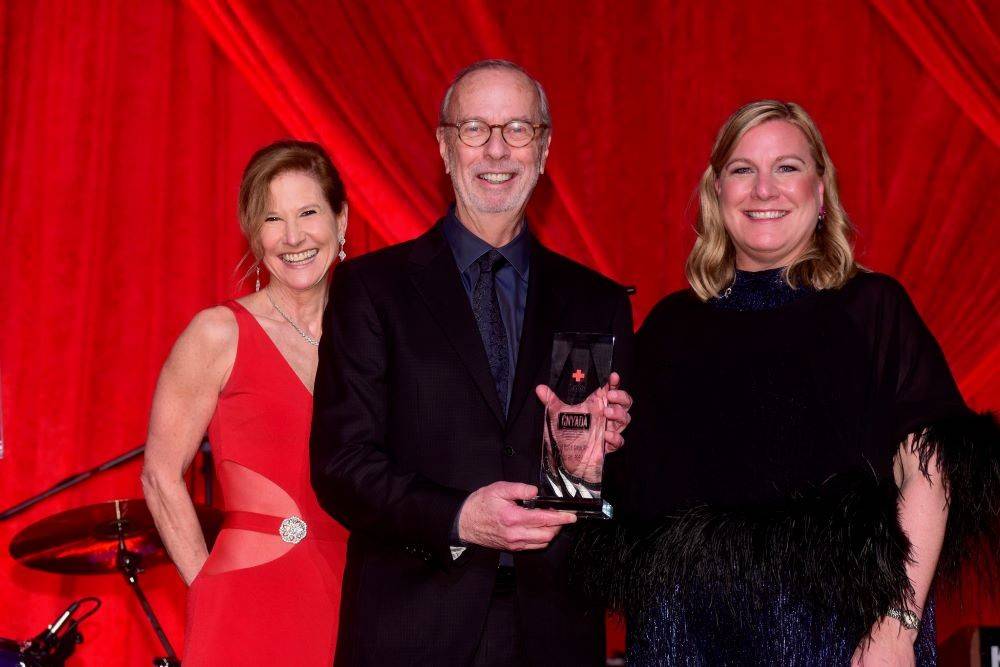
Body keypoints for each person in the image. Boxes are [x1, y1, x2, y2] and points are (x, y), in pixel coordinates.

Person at [593, 100, 999, 666]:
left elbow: (929, 468)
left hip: (843, 637)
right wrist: (581, 452)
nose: (764, 190)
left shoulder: (871, 308)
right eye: (742, 169)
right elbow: (623, 490)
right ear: (716, 192)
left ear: (821, 190)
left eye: (787, 167)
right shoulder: (667, 326)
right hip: (682, 637)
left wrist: (897, 628)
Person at [310, 59, 634, 666]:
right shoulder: (369, 289)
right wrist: (459, 517)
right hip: (411, 632)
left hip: (555, 633)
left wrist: (598, 461)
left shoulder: (598, 300)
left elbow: (612, 496)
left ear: (543, 149)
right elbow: (341, 465)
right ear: (443, 145)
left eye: (517, 129)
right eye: (474, 129)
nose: (496, 150)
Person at [142, 141, 350, 665]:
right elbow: (160, 475)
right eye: (272, 218)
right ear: (255, 234)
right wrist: (208, 586)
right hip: (247, 607)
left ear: (341, 220)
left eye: (308, 212)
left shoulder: (376, 334)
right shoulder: (218, 333)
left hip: (357, 598)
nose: (294, 236)